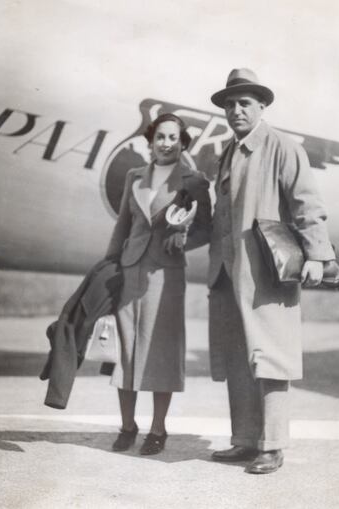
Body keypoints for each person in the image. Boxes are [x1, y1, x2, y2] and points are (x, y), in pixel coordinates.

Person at [208, 68, 336, 474]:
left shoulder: (281, 146)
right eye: (229, 104)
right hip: (228, 271)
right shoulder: (227, 152)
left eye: (244, 102)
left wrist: (317, 255)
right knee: (238, 357)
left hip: (267, 269)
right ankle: (246, 440)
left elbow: (306, 204)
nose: (235, 110)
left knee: (271, 355)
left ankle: (273, 445)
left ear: (262, 106)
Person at [105, 113, 211, 455]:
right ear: (150, 142)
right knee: (126, 349)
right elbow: (122, 226)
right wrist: (109, 266)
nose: (166, 143)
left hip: (167, 276)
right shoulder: (134, 176)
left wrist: (184, 240)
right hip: (130, 270)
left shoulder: (193, 180)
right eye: (160, 137)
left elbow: (206, 227)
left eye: (173, 138)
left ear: (183, 143)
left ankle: (158, 429)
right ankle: (127, 426)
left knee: (160, 350)